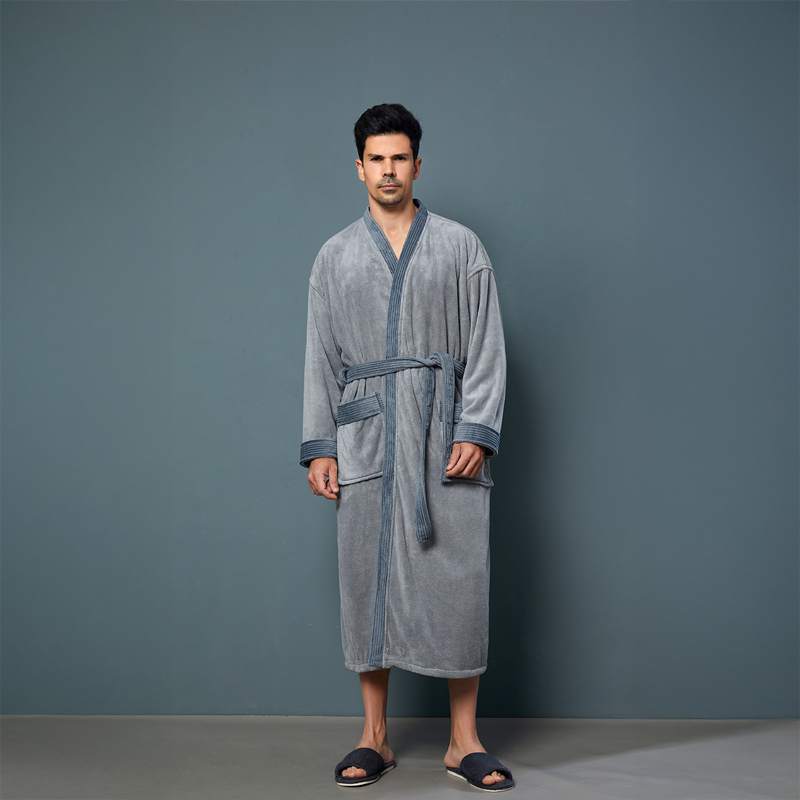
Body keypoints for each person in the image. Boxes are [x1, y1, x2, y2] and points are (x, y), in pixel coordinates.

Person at [300, 103, 511, 792]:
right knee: (369, 583)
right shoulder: (334, 256)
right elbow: (321, 358)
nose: (388, 170)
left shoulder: (460, 246)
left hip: (442, 433)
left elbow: (486, 345)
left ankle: (463, 741)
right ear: (359, 167)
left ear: (417, 165)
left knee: (459, 582)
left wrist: (474, 428)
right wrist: (322, 445)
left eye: (399, 158)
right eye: (376, 159)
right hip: (367, 436)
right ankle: (375, 737)